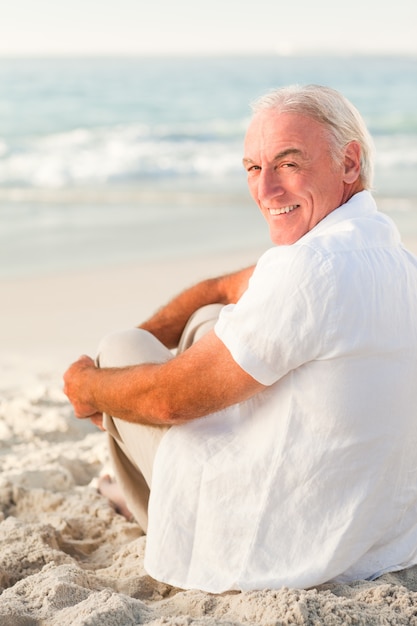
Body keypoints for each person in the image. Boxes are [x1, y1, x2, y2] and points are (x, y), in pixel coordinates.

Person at [64, 84, 417, 593]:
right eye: (254, 168)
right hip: (374, 545)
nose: (266, 191)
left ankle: (149, 509)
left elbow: (167, 400)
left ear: (349, 162)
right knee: (210, 323)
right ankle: (148, 496)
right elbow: (222, 289)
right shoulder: (397, 261)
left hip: (288, 553)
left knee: (121, 349)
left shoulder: (310, 270)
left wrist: (93, 385)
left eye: (289, 164)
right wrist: (145, 365)